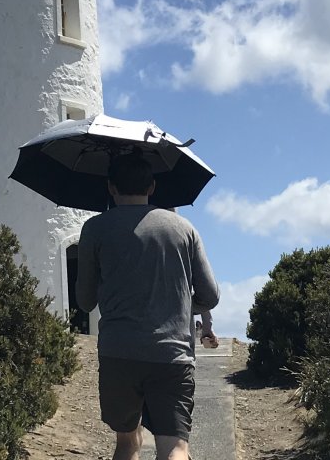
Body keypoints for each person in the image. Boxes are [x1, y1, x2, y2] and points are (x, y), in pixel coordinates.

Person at [76, 153, 220, 460]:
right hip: (172, 354)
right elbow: (210, 295)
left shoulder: (94, 229)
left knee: (127, 444)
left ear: (111, 187)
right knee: (176, 447)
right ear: (152, 187)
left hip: (118, 353)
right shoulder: (183, 228)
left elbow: (85, 301)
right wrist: (180, 305)